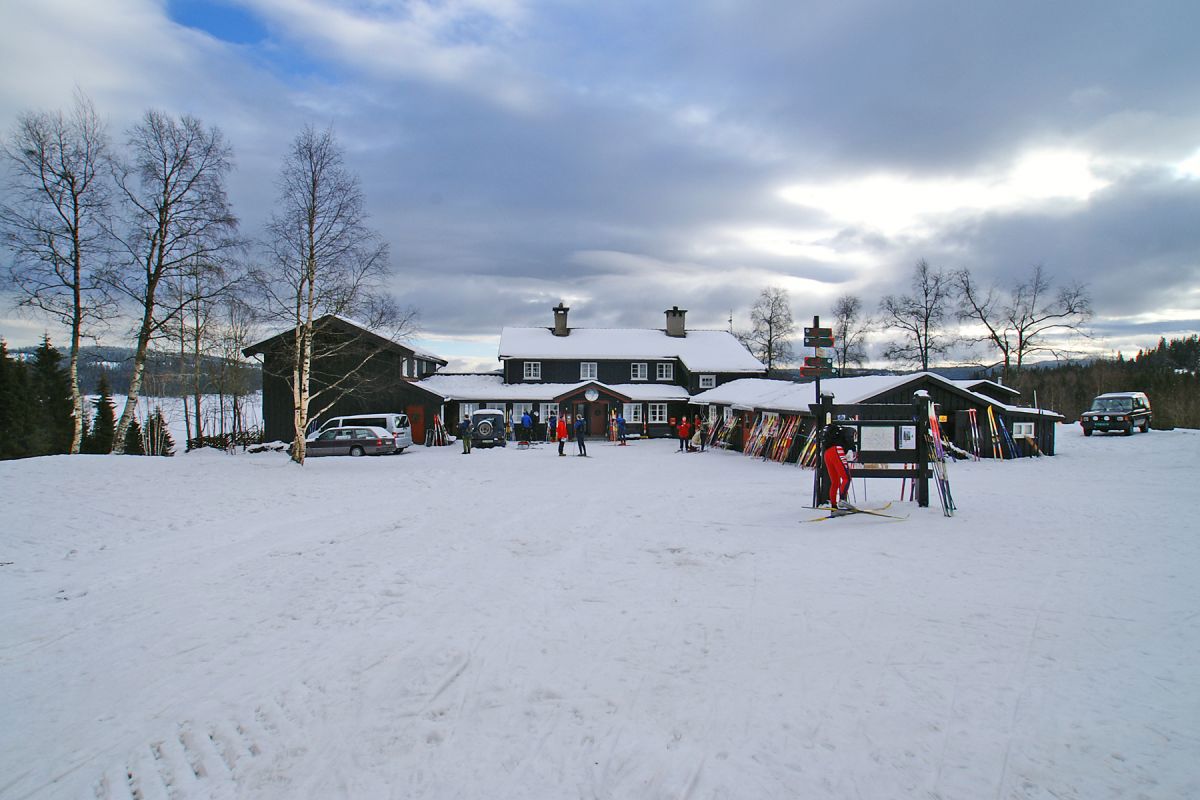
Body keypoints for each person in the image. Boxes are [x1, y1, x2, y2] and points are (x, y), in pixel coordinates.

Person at [821, 423, 857, 511]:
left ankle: (833, 506)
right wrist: (854, 449)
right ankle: (842, 500)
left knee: (835, 482)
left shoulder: (836, 435)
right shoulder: (850, 430)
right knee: (846, 478)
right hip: (837, 451)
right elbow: (849, 439)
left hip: (827, 454)